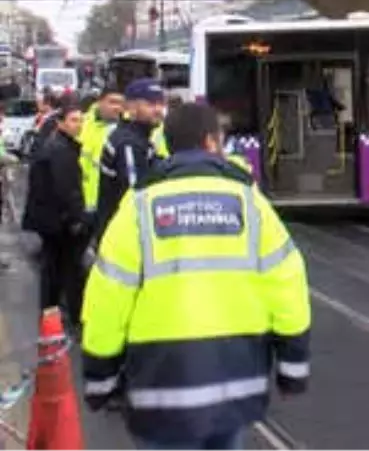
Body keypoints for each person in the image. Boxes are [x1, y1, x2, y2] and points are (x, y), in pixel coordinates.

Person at [81, 102, 311, 450]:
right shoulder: (249, 201)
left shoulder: (139, 205)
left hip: (161, 393)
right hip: (235, 388)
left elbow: (109, 296)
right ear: (210, 142)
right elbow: (287, 281)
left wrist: (100, 376)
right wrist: (292, 365)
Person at [22, 103, 86, 327]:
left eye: (81, 120)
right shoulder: (60, 150)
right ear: (60, 123)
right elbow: (66, 188)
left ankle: (50, 313)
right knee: (63, 269)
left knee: (53, 267)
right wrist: (76, 218)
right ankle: (61, 316)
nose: (79, 125)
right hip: (56, 221)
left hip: (49, 219)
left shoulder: (57, 145)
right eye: (74, 120)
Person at [94, 79, 166, 243]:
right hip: (123, 237)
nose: (158, 110)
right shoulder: (129, 143)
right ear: (131, 108)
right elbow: (135, 193)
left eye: (161, 104)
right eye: (150, 104)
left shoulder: (138, 138)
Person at [79, 86, 125, 227]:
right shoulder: (82, 123)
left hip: (110, 206)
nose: (117, 107)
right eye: (112, 102)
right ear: (100, 102)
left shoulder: (125, 130)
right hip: (81, 204)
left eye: (120, 103)